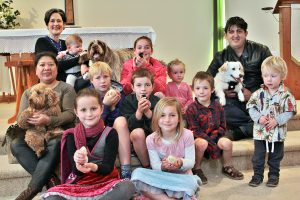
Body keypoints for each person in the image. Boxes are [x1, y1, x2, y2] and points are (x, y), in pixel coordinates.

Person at [41, 89, 135, 200]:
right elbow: (76, 172)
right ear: (76, 112)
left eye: (94, 109)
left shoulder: (110, 133)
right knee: (51, 195)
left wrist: (93, 167)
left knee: (127, 186)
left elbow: (108, 168)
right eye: (83, 110)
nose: (89, 114)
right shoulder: (71, 135)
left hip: (106, 183)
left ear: (101, 109)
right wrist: (78, 162)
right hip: (81, 185)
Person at [10, 51, 77, 200]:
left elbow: (70, 114)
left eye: (50, 64)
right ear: (36, 70)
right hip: (35, 133)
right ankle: (51, 181)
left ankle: (31, 190)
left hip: (58, 132)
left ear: (56, 67)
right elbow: (21, 121)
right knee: (15, 144)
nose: (46, 68)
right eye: (42, 65)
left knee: (56, 141)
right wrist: (29, 118)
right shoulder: (29, 92)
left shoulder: (66, 88)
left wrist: (48, 120)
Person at [207, 16, 272, 140]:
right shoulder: (220, 57)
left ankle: (239, 132)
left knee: (272, 110)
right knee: (215, 107)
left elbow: (275, 79)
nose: (235, 35)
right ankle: (253, 125)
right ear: (225, 35)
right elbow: (207, 81)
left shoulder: (262, 51)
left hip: (258, 102)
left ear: (246, 33)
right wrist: (222, 91)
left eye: (239, 31)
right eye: (231, 32)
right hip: (232, 105)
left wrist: (254, 95)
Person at [131, 97, 201, 200]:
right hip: (162, 177)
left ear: (179, 118)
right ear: (156, 118)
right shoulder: (151, 139)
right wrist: (163, 166)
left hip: (181, 178)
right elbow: (155, 166)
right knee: (137, 174)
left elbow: (191, 162)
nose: (167, 120)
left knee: (192, 183)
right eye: (162, 115)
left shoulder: (187, 135)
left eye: (172, 115)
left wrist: (180, 162)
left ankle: (176, 195)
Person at [186, 71, 244, 185]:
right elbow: (195, 130)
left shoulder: (218, 106)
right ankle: (196, 168)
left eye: (205, 88)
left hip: (216, 136)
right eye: (198, 88)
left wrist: (215, 137)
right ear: (193, 90)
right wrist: (210, 142)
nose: (201, 91)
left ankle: (227, 166)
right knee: (201, 144)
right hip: (199, 138)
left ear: (212, 89)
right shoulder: (191, 109)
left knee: (227, 143)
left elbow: (223, 126)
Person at [246, 56, 296, 187]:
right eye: (266, 75)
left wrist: (277, 120)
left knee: (276, 156)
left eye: (273, 76)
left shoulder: (286, 95)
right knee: (258, 156)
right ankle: (257, 175)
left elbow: (290, 111)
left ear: (282, 76)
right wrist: (258, 117)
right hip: (260, 132)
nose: (269, 79)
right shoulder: (257, 94)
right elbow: (251, 107)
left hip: (277, 133)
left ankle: (274, 175)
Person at [88, 61, 132, 179]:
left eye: (106, 77)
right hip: (96, 134)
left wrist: (113, 109)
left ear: (110, 77)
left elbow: (122, 118)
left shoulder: (119, 93)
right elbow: (92, 124)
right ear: (91, 80)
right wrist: (106, 105)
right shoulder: (88, 96)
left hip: (116, 131)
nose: (102, 81)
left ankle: (126, 170)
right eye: (98, 78)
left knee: (121, 120)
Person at [120, 68, 160, 168]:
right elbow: (129, 126)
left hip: (154, 136)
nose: (143, 89)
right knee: (138, 132)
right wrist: (139, 111)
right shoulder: (128, 101)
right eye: (139, 85)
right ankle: (147, 166)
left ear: (152, 87)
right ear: (133, 88)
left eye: (147, 85)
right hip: (137, 139)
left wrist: (147, 112)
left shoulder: (157, 101)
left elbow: (159, 126)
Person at [35, 8, 83, 82]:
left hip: (71, 81)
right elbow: (54, 66)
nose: (56, 24)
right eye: (52, 21)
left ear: (63, 25)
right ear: (47, 25)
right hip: (50, 84)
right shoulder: (41, 42)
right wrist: (79, 59)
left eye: (59, 21)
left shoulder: (66, 43)